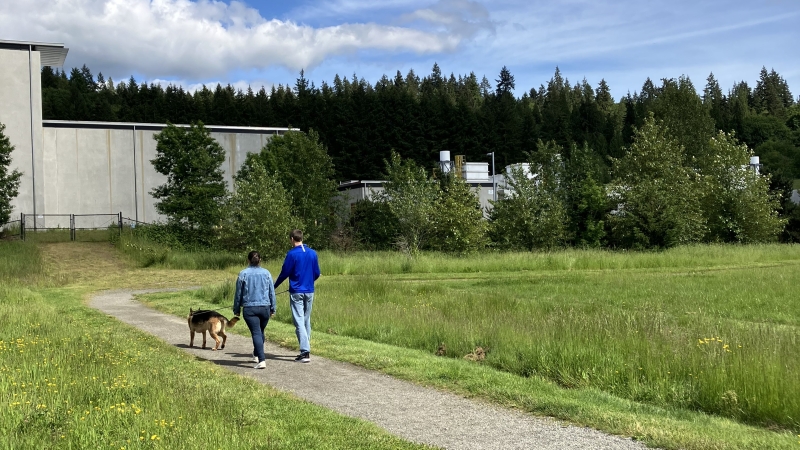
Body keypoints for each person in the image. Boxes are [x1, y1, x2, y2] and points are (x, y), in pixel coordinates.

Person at [274, 229, 320, 363]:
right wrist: (309, 281)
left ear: (292, 239)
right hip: (309, 290)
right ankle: (306, 347)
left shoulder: (292, 254)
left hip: (296, 291)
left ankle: (305, 352)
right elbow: (317, 273)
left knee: (299, 320)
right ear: (302, 238)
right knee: (306, 319)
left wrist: (274, 286)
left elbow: (285, 272)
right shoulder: (313, 253)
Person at [233, 250, 276, 369]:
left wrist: (236, 309)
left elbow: (238, 294)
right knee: (260, 331)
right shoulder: (266, 273)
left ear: (248, 260)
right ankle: (257, 353)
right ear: (260, 260)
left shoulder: (243, 274)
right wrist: (273, 308)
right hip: (265, 307)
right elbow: (272, 292)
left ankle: (261, 360)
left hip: (250, 308)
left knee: (256, 333)